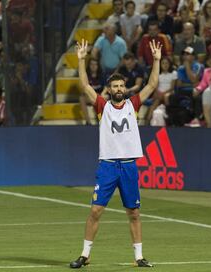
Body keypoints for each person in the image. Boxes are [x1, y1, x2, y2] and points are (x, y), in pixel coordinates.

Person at [70, 39, 162, 269]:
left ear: (125, 88)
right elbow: (84, 86)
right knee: (95, 211)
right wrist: (81, 60)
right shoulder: (103, 106)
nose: (119, 89)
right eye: (115, 86)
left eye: (122, 86)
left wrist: (157, 60)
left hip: (129, 166)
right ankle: (85, 254)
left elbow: (152, 84)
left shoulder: (134, 104)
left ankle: (139, 257)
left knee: (134, 213)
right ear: (109, 89)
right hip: (108, 166)